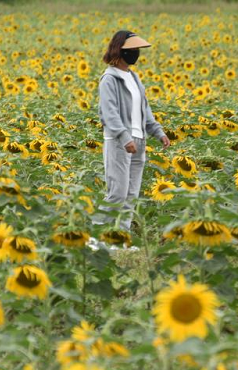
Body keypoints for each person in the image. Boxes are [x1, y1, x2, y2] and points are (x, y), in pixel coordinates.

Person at [89, 30, 170, 251]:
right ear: (120, 50)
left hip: (139, 140)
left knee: (131, 194)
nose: (135, 53)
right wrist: (124, 137)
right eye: (131, 50)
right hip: (119, 141)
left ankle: (119, 240)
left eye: (136, 50)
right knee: (117, 192)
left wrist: (158, 131)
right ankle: (95, 238)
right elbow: (109, 112)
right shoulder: (109, 79)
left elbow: (145, 109)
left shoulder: (134, 77)